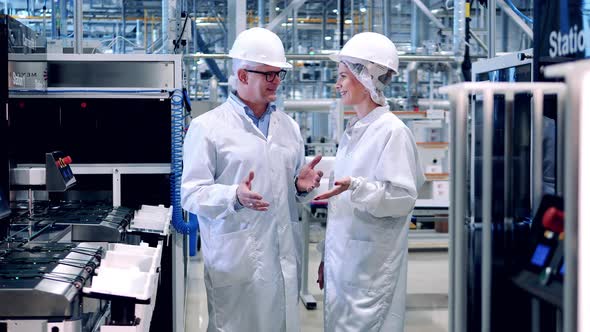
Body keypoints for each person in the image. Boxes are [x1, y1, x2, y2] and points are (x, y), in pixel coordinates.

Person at [181, 27, 323, 332]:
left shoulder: (289, 128)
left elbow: (290, 192)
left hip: (282, 258)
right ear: (243, 76)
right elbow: (191, 194)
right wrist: (234, 195)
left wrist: (299, 188)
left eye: (279, 74)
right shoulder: (208, 128)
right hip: (235, 262)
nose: (276, 82)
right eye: (268, 75)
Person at [315, 32, 425, 331]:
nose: (337, 84)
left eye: (343, 76)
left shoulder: (392, 132)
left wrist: (357, 187)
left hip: (371, 270)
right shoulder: (355, 131)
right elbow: (342, 210)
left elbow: (402, 198)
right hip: (345, 265)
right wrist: (328, 256)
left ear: (367, 79)